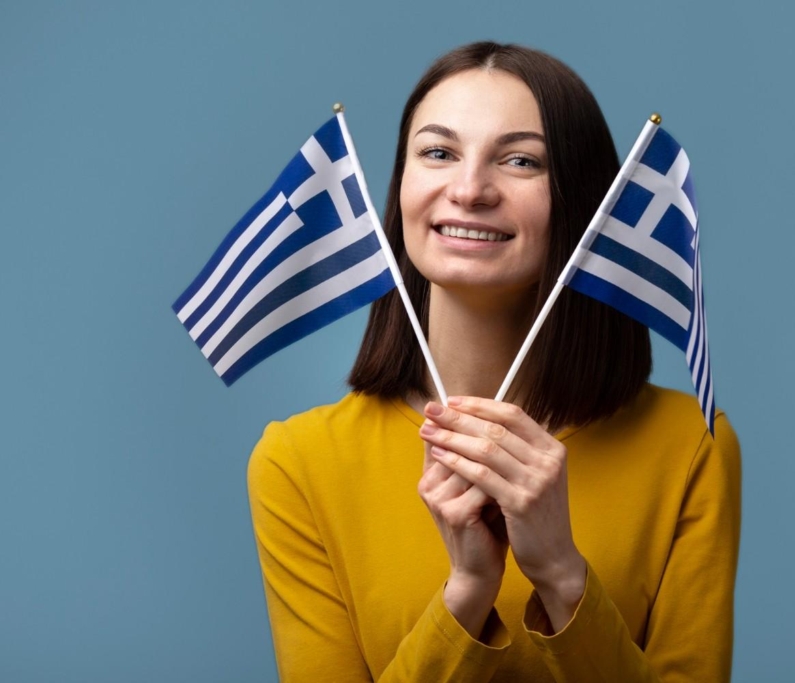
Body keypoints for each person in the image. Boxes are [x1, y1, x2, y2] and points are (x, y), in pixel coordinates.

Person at [247, 41, 741, 682]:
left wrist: (563, 575)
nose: (471, 189)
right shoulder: (297, 463)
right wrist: (467, 593)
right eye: (438, 152)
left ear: (580, 202)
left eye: (520, 160)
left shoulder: (690, 449)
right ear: (400, 191)